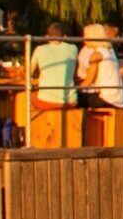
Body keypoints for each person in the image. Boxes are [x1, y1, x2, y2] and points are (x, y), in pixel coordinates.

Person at [24, 20, 82, 149]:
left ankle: (34, 139)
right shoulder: (73, 48)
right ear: (65, 37)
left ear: (46, 37)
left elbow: (28, 71)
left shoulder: (40, 49)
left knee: (30, 97)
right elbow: (75, 70)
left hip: (47, 101)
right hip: (71, 100)